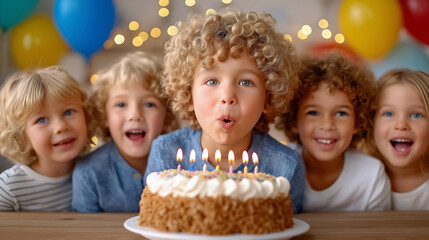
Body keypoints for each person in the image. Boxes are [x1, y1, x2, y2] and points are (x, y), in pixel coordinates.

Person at [144, 10, 305, 213]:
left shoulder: (285, 167)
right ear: (188, 92)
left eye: (246, 82)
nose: (227, 96)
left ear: (269, 96)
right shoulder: (164, 154)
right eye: (212, 81)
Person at [277, 53, 391, 211]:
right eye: (313, 113)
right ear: (293, 121)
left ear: (358, 122)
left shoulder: (371, 175)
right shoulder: (276, 166)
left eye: (341, 113)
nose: (327, 125)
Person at [72, 51, 178, 212]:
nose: (135, 115)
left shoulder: (181, 165)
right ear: (104, 115)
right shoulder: (88, 174)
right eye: (121, 105)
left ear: (167, 116)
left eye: (149, 104)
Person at [0, 66, 92, 211]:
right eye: (41, 120)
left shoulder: (96, 173)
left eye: (69, 112)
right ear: (21, 136)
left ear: (86, 116)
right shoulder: (8, 189)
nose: (60, 126)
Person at [367, 69, 429, 210]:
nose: (401, 125)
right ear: (372, 122)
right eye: (388, 113)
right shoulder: (361, 177)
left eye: (416, 115)